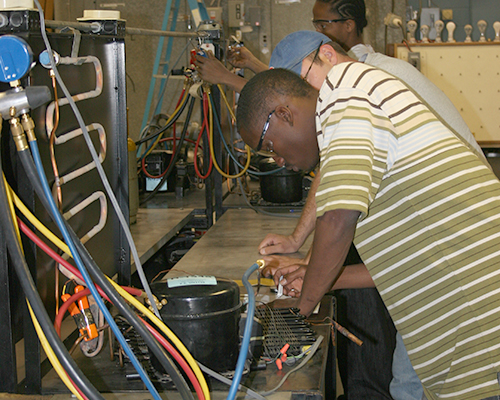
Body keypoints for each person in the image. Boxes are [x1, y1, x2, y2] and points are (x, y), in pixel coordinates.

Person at [236, 32, 500, 400]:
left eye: (268, 146)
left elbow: (339, 218)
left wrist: (303, 304)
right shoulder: (352, 121)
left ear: (283, 113)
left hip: (485, 328)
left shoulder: (345, 91)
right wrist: (323, 279)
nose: (277, 161)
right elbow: (399, 264)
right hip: (467, 336)